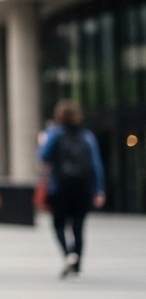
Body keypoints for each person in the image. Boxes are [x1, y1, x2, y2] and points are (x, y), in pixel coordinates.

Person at [38, 99, 106, 279]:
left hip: (60, 187)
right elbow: (96, 165)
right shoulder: (87, 136)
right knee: (78, 227)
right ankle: (77, 266)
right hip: (83, 188)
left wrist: (42, 141)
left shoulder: (54, 134)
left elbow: (43, 156)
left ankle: (69, 255)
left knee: (59, 224)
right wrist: (99, 189)